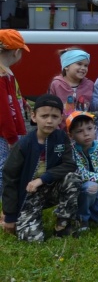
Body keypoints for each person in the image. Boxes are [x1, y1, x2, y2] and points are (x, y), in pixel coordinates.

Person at [2, 95, 81, 242]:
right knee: (32, 239)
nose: (49, 121)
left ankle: (63, 224)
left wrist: (43, 179)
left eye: (54, 116)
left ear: (60, 118)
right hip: (28, 195)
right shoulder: (24, 144)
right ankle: (17, 217)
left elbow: (69, 164)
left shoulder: (61, 138)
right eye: (44, 116)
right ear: (34, 116)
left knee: (73, 177)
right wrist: (10, 215)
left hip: (49, 188)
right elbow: (9, 178)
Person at [0, 29, 30, 195]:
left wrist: (22, 102)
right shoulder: (1, 75)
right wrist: (12, 137)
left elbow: (11, 97)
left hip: (9, 132)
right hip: (6, 134)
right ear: (16, 52)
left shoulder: (5, 71)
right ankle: (3, 203)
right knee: (4, 168)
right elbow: (3, 111)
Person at [48, 47, 93, 122]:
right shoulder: (56, 84)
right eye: (79, 64)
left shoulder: (89, 85)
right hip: (62, 129)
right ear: (66, 66)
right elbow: (50, 107)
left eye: (86, 65)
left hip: (82, 127)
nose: (83, 68)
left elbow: (93, 105)